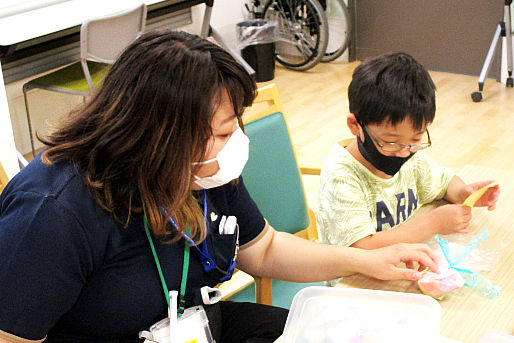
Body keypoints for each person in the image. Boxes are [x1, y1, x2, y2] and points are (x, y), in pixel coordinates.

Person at [0, 31, 438, 343]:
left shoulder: (203, 169)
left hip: (197, 326)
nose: (236, 145)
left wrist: (369, 260)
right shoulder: (53, 212)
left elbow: (262, 249)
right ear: (159, 135)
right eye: (225, 132)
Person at [317, 52, 500, 277]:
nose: (404, 153)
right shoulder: (342, 176)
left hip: (400, 271)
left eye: (415, 140)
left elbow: (443, 182)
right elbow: (359, 249)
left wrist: (463, 193)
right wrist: (433, 223)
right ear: (355, 125)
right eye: (390, 142)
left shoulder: (409, 158)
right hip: (353, 287)